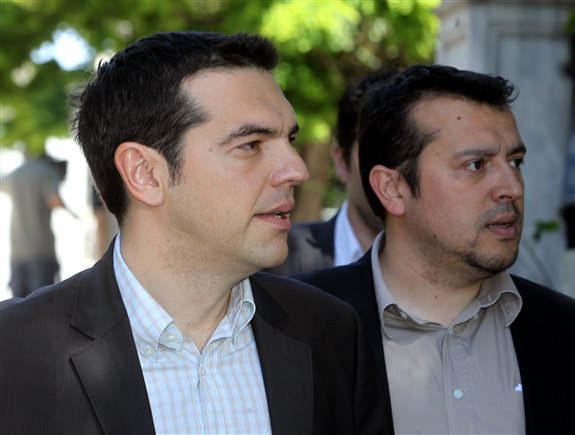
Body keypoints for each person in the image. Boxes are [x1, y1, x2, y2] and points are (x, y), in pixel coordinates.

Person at [0, 31, 392, 435]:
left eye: (289, 140)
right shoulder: (14, 353)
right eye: (251, 145)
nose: (296, 169)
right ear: (145, 173)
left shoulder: (331, 333)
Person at [295, 64, 575, 434]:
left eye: (515, 162)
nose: (511, 187)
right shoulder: (300, 328)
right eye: (476, 165)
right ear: (393, 188)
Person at [266, 71, 395, 275]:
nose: (398, 172)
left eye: (414, 156)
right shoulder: (272, 262)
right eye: (380, 152)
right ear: (342, 161)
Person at [0, 153, 68, 297]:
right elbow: (54, 200)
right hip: (41, 250)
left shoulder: (16, 173)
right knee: (42, 303)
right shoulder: (47, 172)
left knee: (18, 304)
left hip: (17, 251)